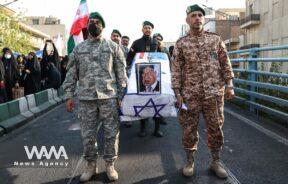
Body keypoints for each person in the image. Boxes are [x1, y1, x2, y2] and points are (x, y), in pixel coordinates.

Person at [62, 12, 127, 182]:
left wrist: (122, 96)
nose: (94, 24)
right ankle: (91, 164)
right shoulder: (79, 48)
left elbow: (121, 74)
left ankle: (110, 164)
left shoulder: (113, 47)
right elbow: (71, 74)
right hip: (86, 99)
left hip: (109, 98)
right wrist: (68, 95)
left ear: (103, 26)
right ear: (87, 25)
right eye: (91, 22)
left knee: (111, 134)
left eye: (97, 22)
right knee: (88, 135)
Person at [172, 4, 235, 179]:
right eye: (193, 15)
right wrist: (177, 94)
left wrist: (230, 85)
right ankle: (190, 161)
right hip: (190, 95)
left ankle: (216, 161)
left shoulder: (215, 39)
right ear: (187, 19)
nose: (197, 18)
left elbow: (225, 63)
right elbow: (176, 70)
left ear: (204, 19)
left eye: (200, 15)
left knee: (216, 128)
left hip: (214, 93)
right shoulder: (181, 44)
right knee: (189, 129)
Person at [126, 21, 163, 137]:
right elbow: (129, 59)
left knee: (157, 102)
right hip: (140, 78)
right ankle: (143, 128)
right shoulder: (136, 43)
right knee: (142, 103)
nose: (147, 30)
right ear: (142, 29)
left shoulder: (157, 43)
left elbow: (163, 59)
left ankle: (157, 129)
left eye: (149, 28)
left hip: (156, 78)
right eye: (145, 28)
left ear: (152, 30)